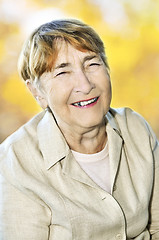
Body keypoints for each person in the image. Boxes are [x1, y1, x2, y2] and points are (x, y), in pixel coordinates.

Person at [0, 19, 159, 240]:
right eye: (63, 72)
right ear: (37, 92)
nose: (85, 85)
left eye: (92, 64)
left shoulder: (136, 128)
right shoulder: (15, 161)